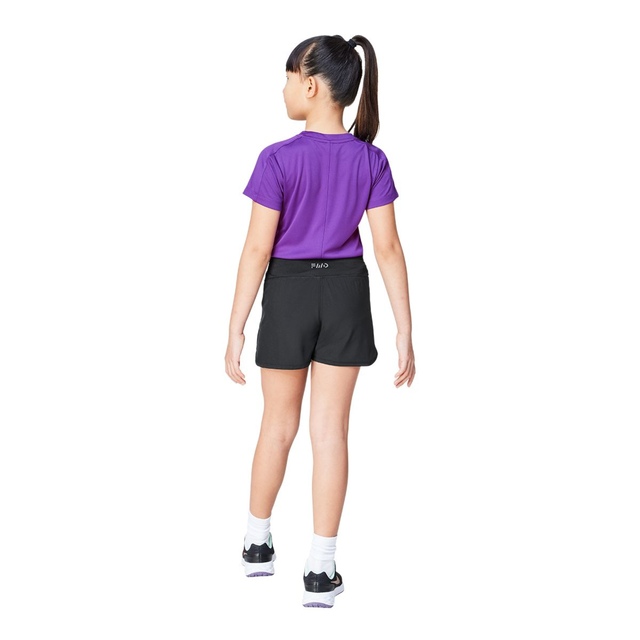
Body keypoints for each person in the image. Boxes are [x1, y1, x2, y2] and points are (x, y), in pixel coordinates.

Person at [224, 34, 415, 608]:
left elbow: (257, 249)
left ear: (309, 85)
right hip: (346, 293)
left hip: (288, 292)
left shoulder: (277, 158)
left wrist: (235, 325)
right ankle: (321, 569)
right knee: (330, 432)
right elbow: (388, 249)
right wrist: (405, 328)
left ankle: (257, 544)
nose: (283, 89)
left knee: (276, 425)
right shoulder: (371, 160)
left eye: (287, 78)